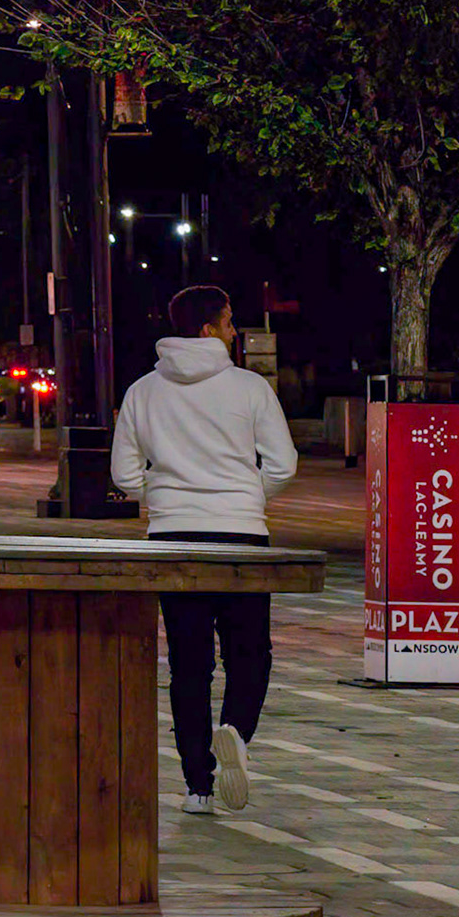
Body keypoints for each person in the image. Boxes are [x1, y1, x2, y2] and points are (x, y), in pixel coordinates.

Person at [111, 285, 297, 817]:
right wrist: (242, 496)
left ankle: (197, 785)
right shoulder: (250, 388)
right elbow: (282, 464)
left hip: (173, 538)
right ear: (209, 329)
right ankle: (235, 732)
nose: (236, 331)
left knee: (189, 664)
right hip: (241, 535)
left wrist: (167, 498)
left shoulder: (143, 392)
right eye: (230, 320)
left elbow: (124, 475)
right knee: (250, 653)